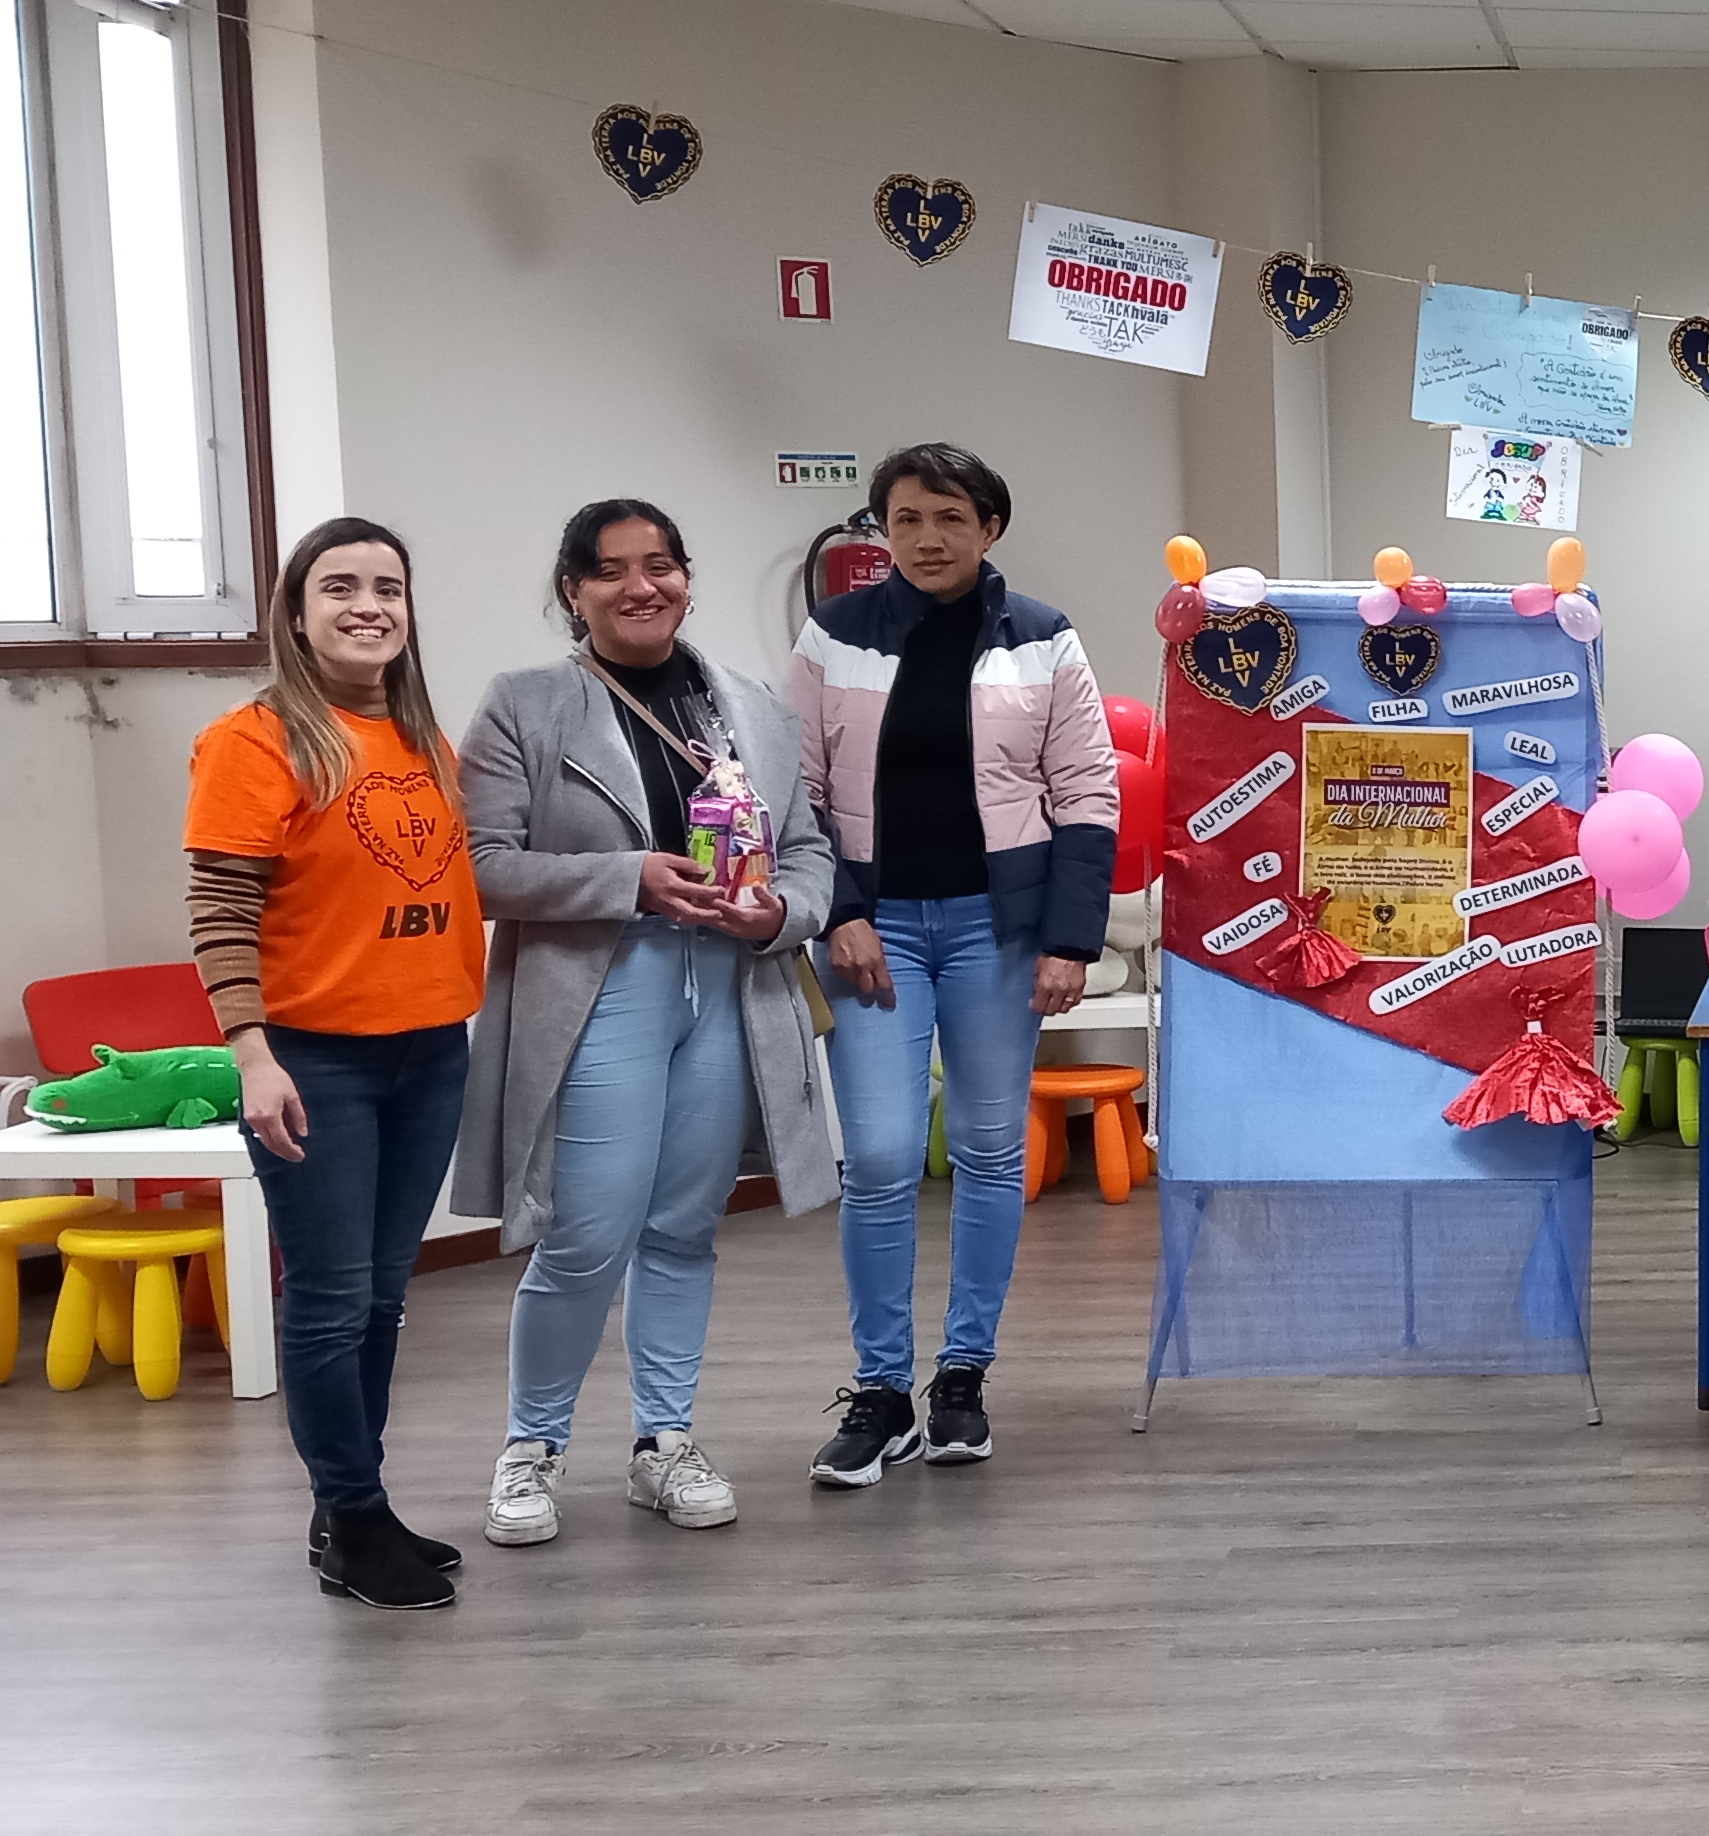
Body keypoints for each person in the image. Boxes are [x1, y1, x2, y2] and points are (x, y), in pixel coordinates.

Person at [453, 501, 838, 1546]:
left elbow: (807, 852)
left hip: (730, 983)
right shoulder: (525, 704)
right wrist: (629, 878)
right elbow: (480, 867)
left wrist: (781, 913)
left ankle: (664, 1444)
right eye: (612, 570)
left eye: (661, 565)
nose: (642, 586)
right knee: (587, 1233)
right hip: (605, 981)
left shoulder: (754, 709)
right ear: (572, 592)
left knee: (682, 1228)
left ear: (686, 579)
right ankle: (531, 1448)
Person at [785, 442, 1119, 1489]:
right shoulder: (835, 632)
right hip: (872, 932)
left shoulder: (1043, 637)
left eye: (950, 518)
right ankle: (881, 1391)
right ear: (881, 528)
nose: (927, 538)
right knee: (882, 1158)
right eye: (906, 518)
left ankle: (963, 1377)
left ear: (989, 528)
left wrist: (1069, 938)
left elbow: (1087, 791)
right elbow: (794, 790)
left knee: (987, 1150)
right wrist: (840, 912)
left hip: (997, 929)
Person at [184, 516, 482, 1610]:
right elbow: (221, 907)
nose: (369, 606)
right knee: (328, 1298)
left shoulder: (425, 740)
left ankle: (353, 1506)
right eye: (341, 587)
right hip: (314, 1060)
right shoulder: (254, 741)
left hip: (430, 1051)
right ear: (297, 614)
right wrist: (251, 1056)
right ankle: (354, 1521)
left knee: (383, 1297)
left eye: (387, 588)